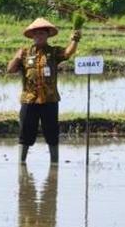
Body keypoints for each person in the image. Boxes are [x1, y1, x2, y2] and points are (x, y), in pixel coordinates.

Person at [7, 18, 81, 164]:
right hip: (29, 100)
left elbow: (67, 53)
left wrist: (75, 39)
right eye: (36, 34)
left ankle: (54, 164)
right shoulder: (25, 53)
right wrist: (16, 57)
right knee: (25, 133)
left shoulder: (53, 52)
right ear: (32, 36)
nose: (38, 36)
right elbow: (10, 70)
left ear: (47, 35)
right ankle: (21, 164)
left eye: (42, 33)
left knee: (52, 133)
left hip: (49, 100)